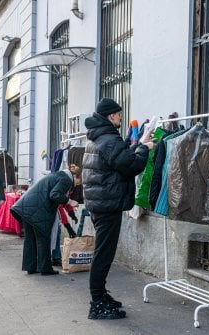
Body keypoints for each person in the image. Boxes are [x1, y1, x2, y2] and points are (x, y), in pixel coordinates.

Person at [83, 98, 154, 320]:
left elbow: (118, 158)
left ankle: (101, 295)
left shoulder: (99, 136)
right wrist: (143, 148)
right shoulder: (108, 138)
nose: (121, 117)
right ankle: (97, 303)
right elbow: (129, 165)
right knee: (103, 254)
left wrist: (137, 145)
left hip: (101, 203)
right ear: (111, 116)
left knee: (103, 252)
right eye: (119, 114)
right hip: (106, 204)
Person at [10, 164, 82, 275]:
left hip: (26, 207)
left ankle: (31, 267)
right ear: (75, 177)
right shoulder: (66, 179)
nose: (76, 185)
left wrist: (70, 212)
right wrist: (70, 201)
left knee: (30, 239)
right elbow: (54, 195)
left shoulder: (59, 175)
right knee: (43, 238)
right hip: (37, 210)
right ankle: (45, 268)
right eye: (78, 182)